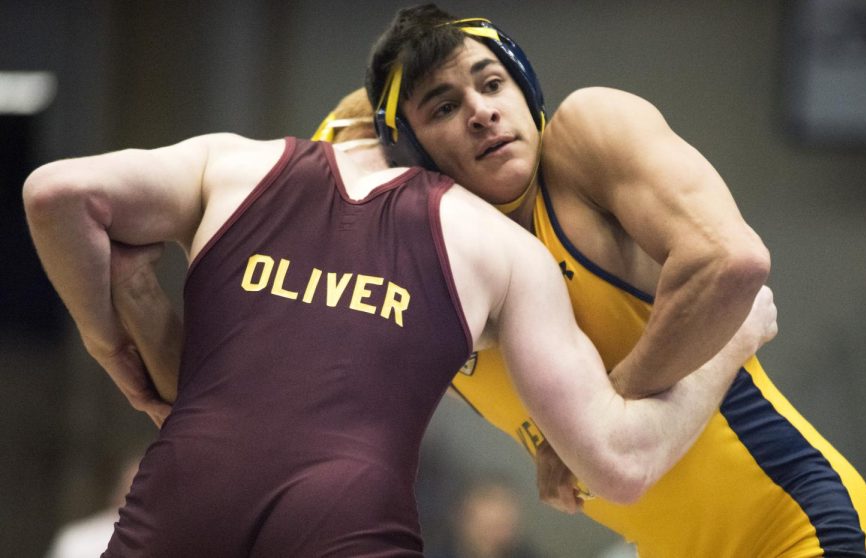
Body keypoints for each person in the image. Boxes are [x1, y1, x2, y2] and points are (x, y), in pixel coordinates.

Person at [23, 113, 775, 554]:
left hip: (189, 476)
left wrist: (107, 341)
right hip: (348, 499)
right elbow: (620, 461)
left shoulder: (235, 163)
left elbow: (56, 191)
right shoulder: (497, 241)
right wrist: (733, 343)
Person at [364, 5, 866, 557]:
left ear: (525, 89)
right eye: (445, 107)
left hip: (793, 530)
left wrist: (595, 422)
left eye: (493, 84)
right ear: (409, 151)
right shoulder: (436, 273)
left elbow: (731, 262)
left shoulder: (583, 142)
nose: (482, 112)